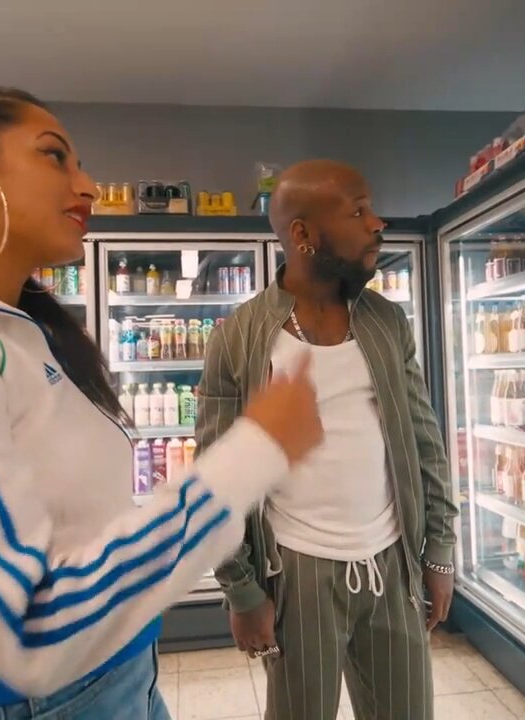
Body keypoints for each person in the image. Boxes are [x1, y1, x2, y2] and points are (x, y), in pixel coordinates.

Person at [0, 87, 323, 719]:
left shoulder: (13, 334)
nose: (89, 188)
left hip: (113, 676)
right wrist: (253, 453)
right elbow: (30, 627)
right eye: (55, 157)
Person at [195, 159, 459, 720]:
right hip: (296, 573)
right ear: (303, 234)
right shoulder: (239, 338)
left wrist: (438, 554)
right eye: (359, 211)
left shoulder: (387, 322)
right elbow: (216, 474)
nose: (378, 223)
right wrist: (240, 589)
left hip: (392, 563)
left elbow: (424, 442)